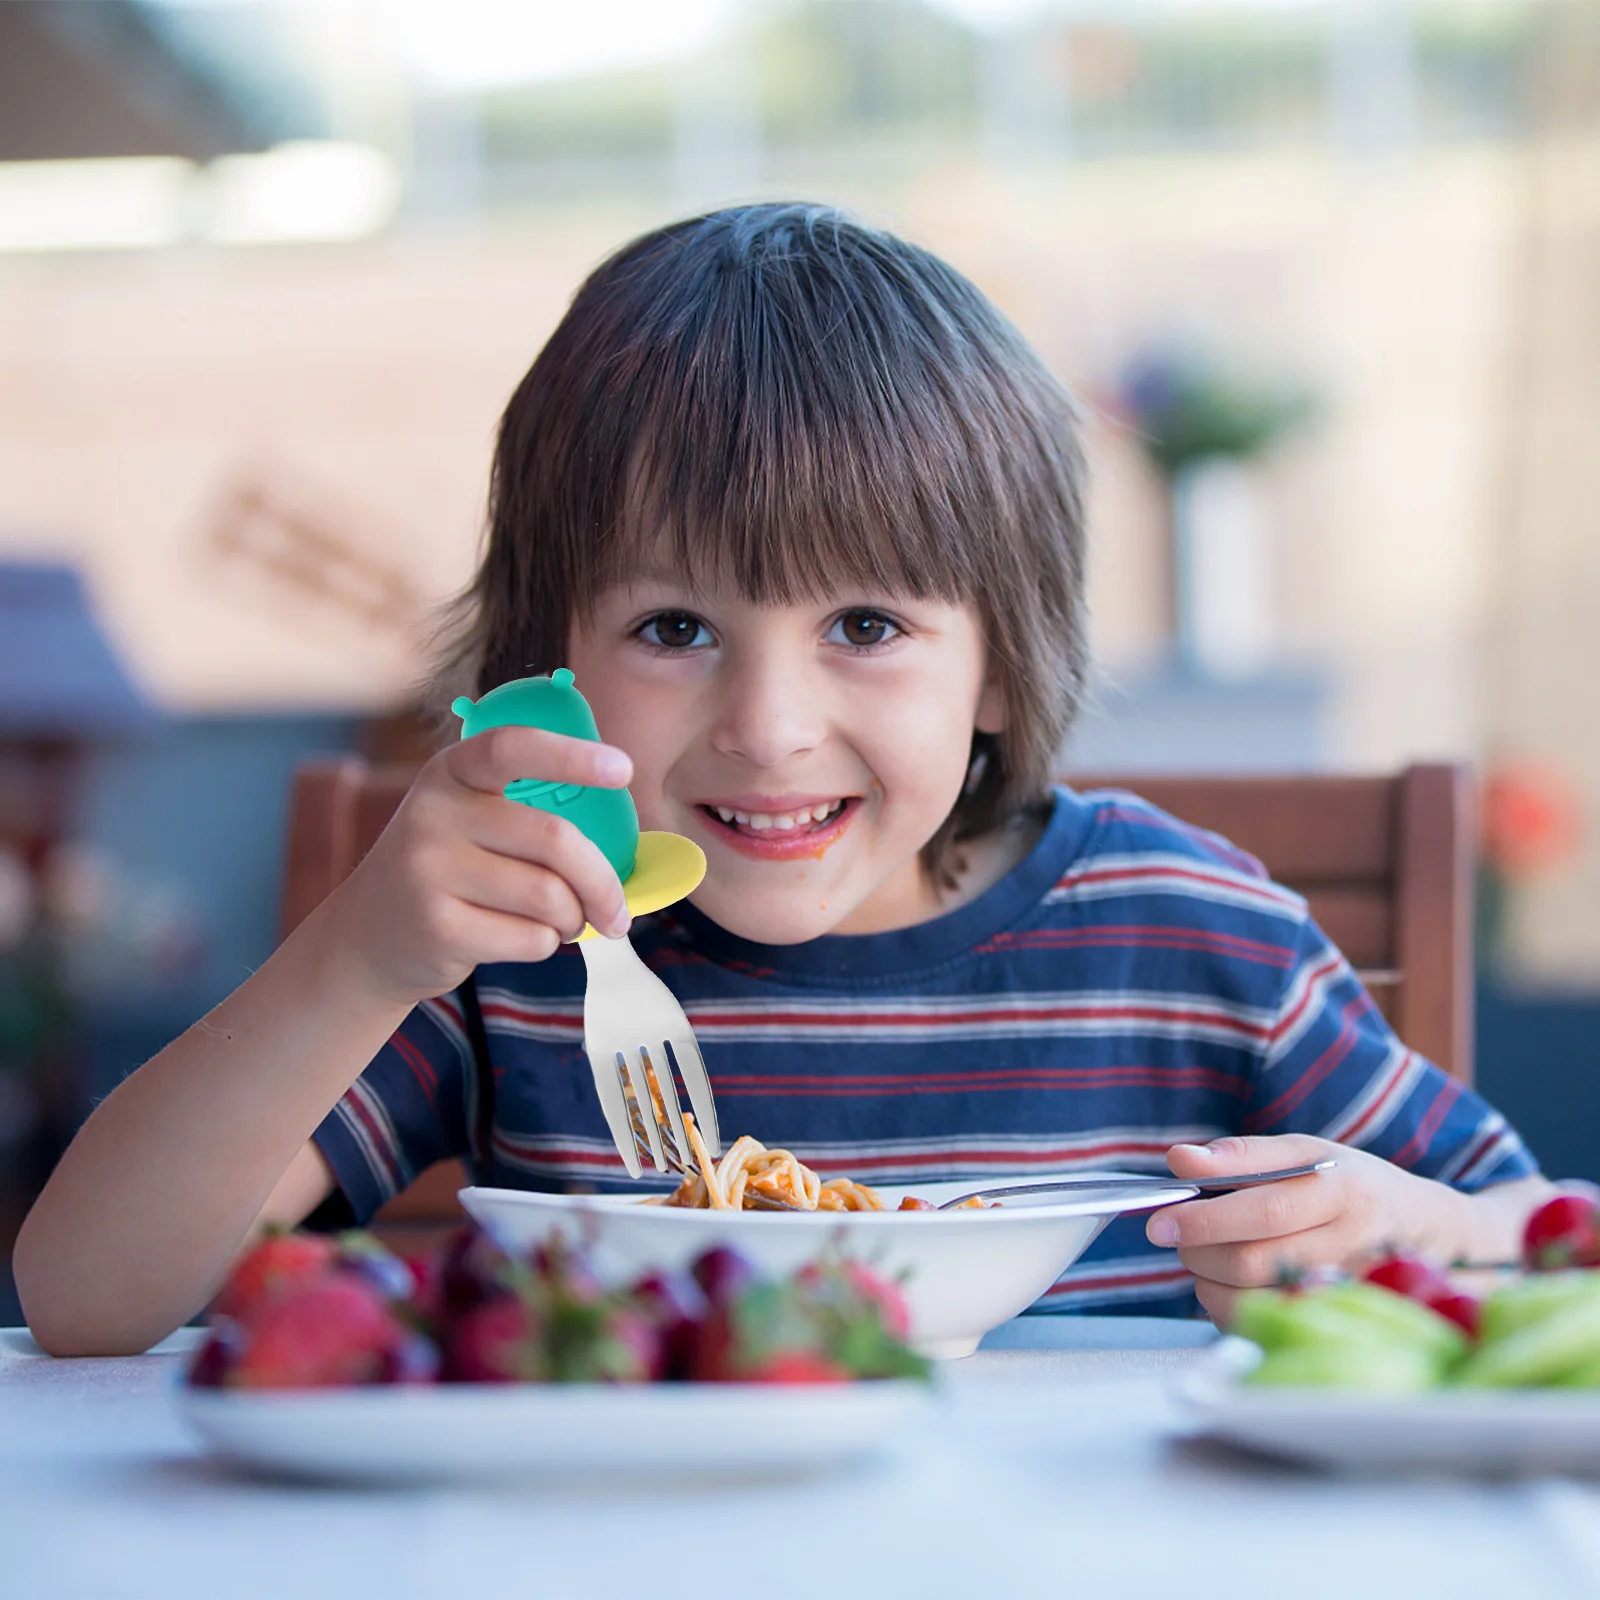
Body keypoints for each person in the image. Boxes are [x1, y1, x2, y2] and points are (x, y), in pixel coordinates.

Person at [15, 203, 1550, 1355]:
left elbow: (1552, 1240)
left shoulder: (1191, 937)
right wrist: (351, 962)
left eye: (866, 626)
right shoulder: (520, 956)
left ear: (1000, 666)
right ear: (552, 658)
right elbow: (84, 1305)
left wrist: (1415, 1230)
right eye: (675, 627)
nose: (767, 722)